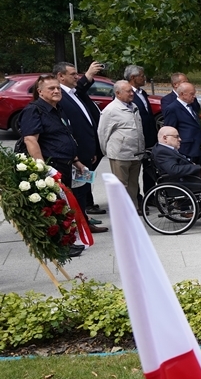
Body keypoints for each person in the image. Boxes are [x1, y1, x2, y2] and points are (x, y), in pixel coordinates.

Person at [20, 74, 89, 254]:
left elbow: (64, 136)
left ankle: (67, 240)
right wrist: (42, 168)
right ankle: (60, 245)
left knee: (63, 206)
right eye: (51, 88)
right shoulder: (34, 110)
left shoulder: (58, 109)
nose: (57, 91)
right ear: (40, 92)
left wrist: (77, 161)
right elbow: (30, 140)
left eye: (58, 88)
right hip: (51, 167)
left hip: (66, 164)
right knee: (55, 207)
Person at [55, 61, 105, 225]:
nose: (77, 77)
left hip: (87, 152)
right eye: (73, 74)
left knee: (84, 187)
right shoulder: (61, 96)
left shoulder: (72, 93)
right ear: (60, 76)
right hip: (77, 154)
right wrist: (78, 154)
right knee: (78, 190)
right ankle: (82, 222)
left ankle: (84, 217)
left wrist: (92, 150)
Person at [151, 126, 201, 218]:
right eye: (176, 137)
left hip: (192, 178)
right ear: (165, 138)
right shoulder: (162, 152)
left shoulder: (164, 149)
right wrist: (196, 168)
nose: (180, 139)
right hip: (188, 181)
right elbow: (174, 170)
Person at [98, 80, 145, 206]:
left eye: (132, 91)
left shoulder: (133, 106)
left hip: (136, 154)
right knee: (121, 186)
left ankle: (132, 209)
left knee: (133, 185)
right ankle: (121, 211)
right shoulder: (111, 110)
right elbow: (102, 133)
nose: (132, 93)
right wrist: (107, 151)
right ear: (118, 93)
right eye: (128, 91)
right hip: (120, 155)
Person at [124, 65, 158, 201]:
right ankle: (136, 198)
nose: (145, 78)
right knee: (134, 171)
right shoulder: (127, 94)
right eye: (142, 76)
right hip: (136, 138)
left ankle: (150, 196)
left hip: (149, 137)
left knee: (150, 167)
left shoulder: (141, 93)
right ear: (133, 77)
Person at [161, 82, 201, 168]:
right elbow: (170, 129)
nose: (194, 96)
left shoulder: (192, 105)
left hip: (199, 147)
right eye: (191, 94)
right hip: (186, 149)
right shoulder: (172, 108)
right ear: (182, 94)